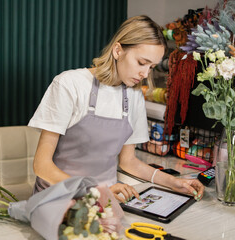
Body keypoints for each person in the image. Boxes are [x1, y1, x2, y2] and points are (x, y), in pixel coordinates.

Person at [28, 15, 204, 202]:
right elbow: (42, 165)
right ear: (118, 50)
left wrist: (173, 182)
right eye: (141, 63)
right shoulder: (69, 84)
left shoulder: (134, 95)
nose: (145, 74)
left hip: (108, 200)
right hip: (58, 198)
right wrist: (94, 192)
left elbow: (129, 162)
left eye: (151, 67)